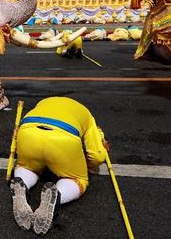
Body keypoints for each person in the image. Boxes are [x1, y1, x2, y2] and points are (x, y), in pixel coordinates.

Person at [10, 97, 109, 236]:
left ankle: (23, 183)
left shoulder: (44, 102)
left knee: (26, 166)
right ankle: (57, 196)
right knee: (77, 179)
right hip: (63, 137)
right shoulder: (87, 114)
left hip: (28, 130)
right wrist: (90, 166)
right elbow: (98, 155)